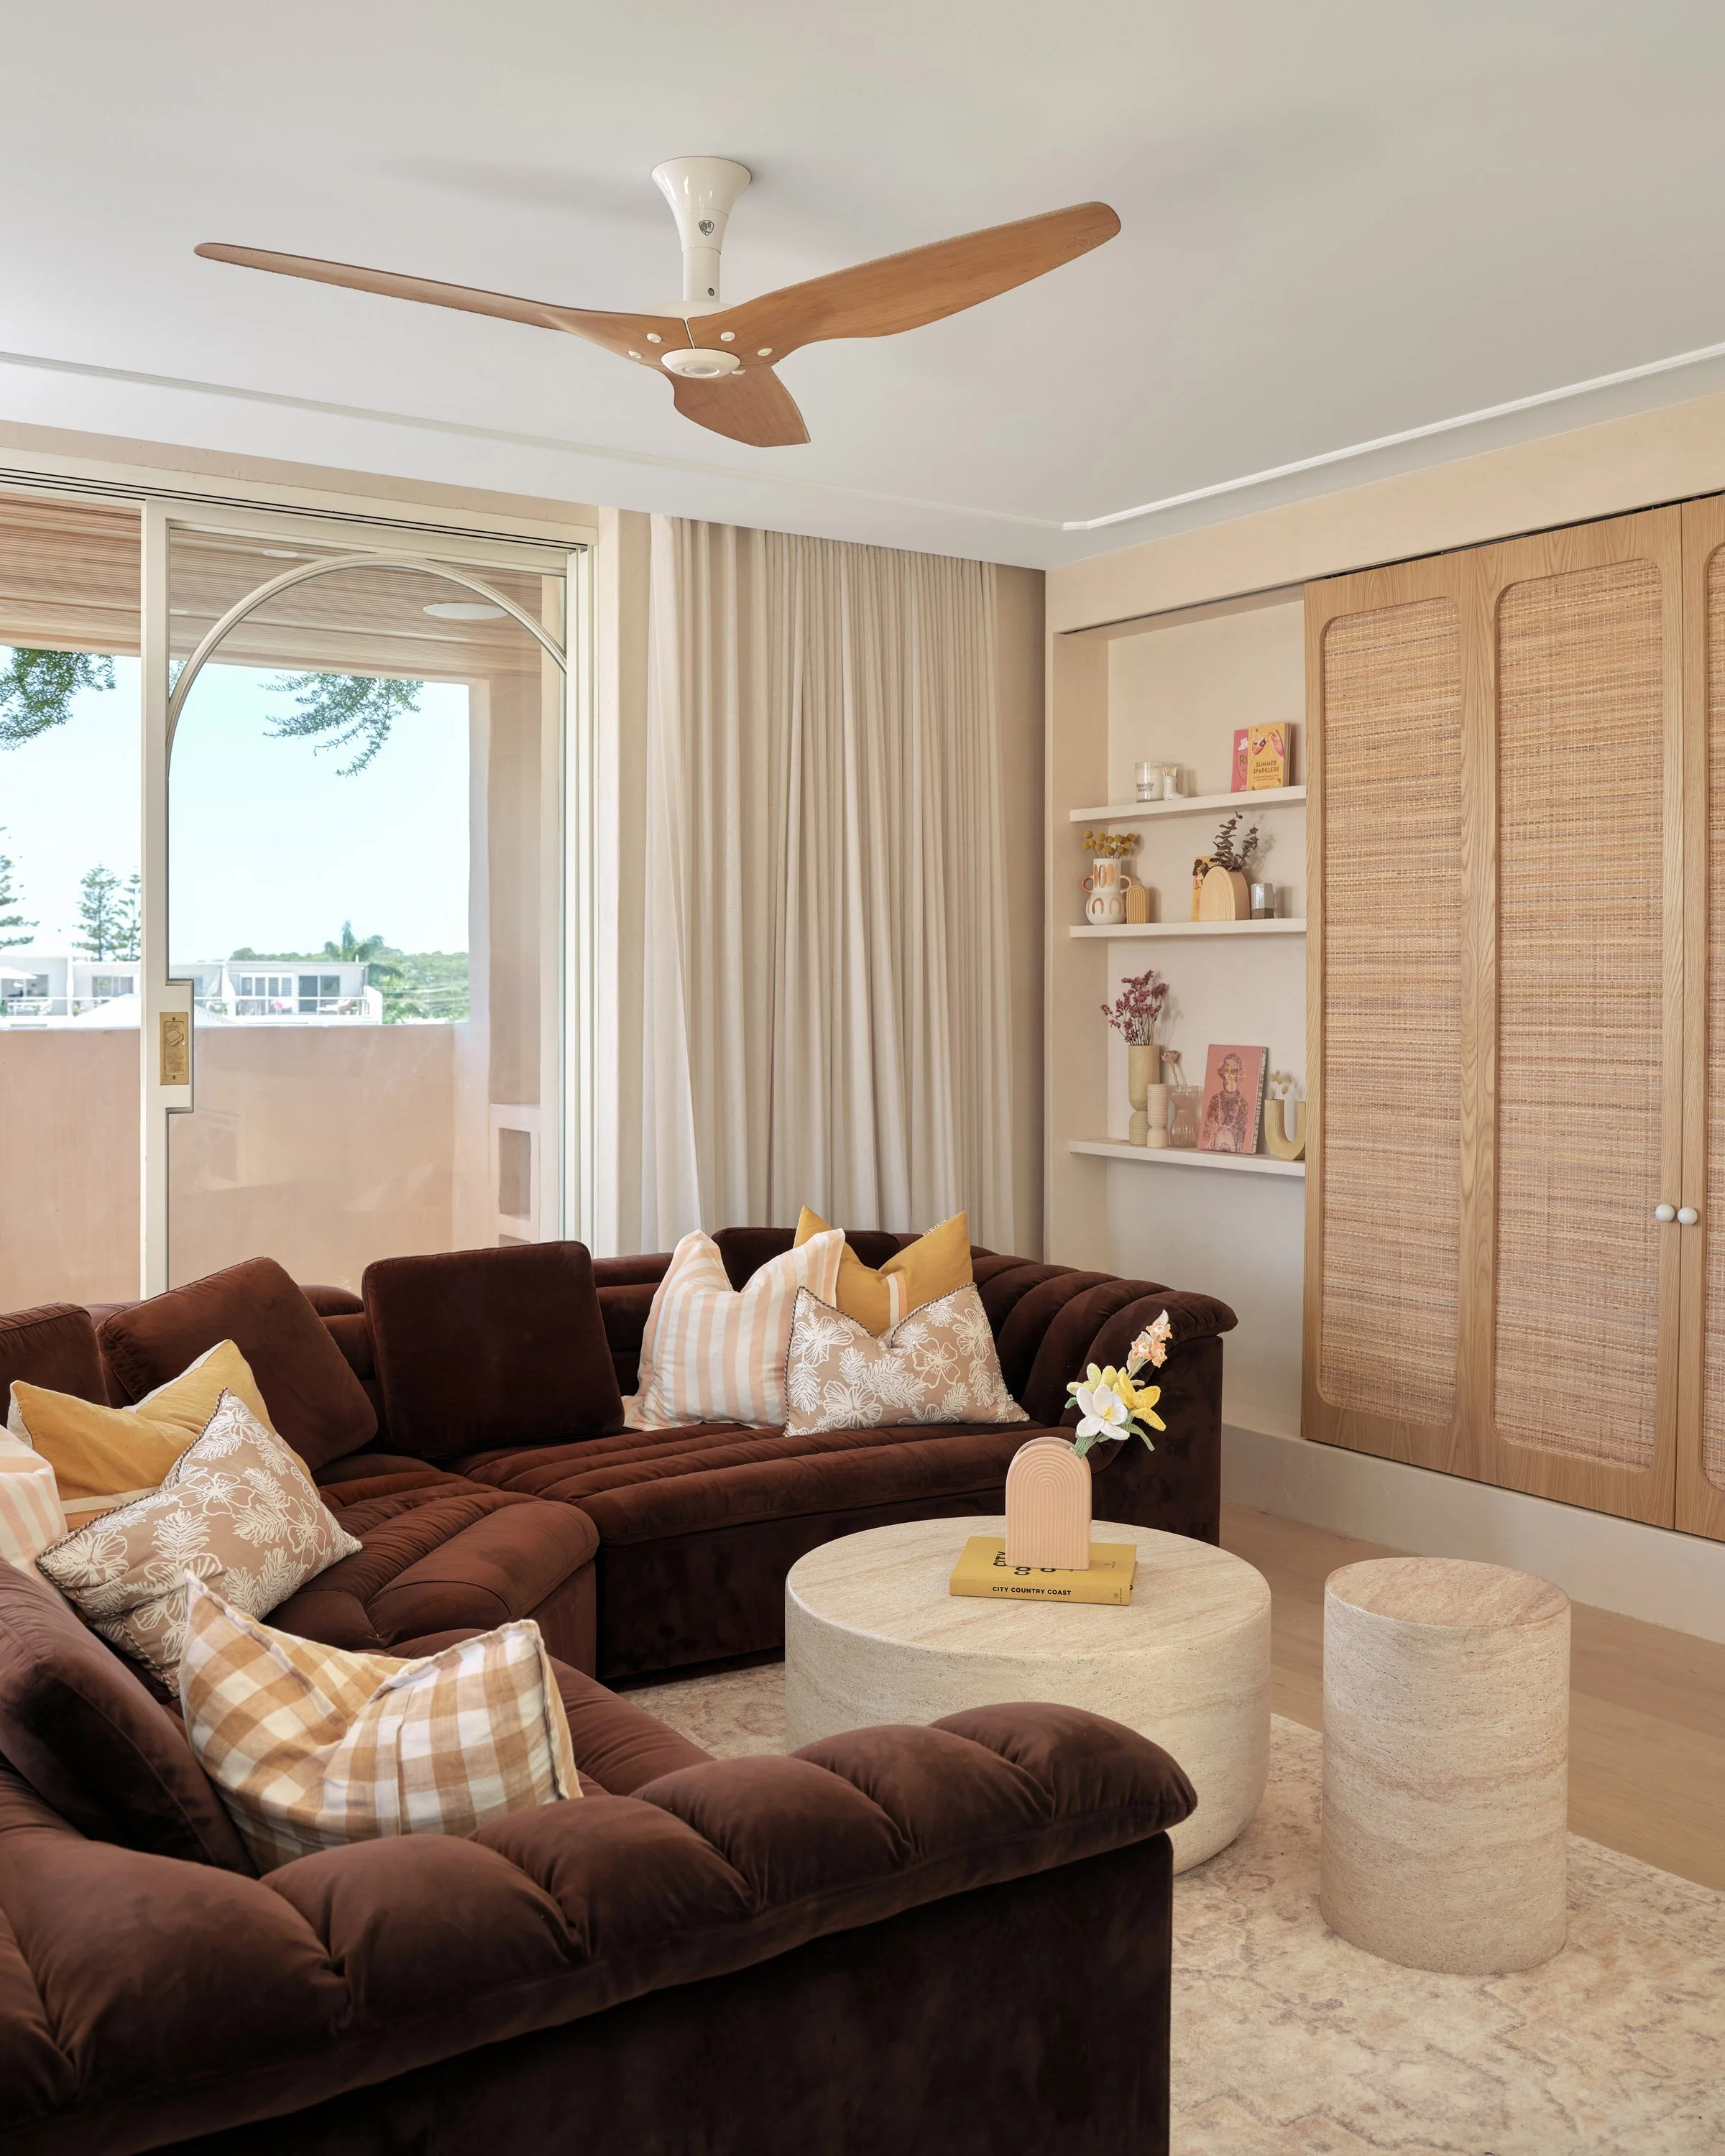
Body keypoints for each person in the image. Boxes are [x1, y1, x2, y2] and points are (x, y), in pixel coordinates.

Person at [1201, 1051, 1252, 1153]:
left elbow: (1242, 1137)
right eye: (1226, 1070)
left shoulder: (1243, 1104)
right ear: (1223, 1072)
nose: (1229, 1075)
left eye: (1233, 1071)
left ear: (1239, 1073)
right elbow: (1206, 1132)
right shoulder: (1215, 1100)